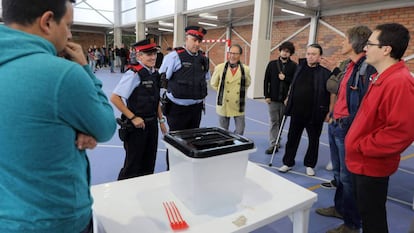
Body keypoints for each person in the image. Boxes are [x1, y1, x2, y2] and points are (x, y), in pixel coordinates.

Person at [0, 0, 116, 232]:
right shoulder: (63, 74)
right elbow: (105, 127)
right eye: (68, 24)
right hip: (55, 219)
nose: (70, 34)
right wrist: (85, 69)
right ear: (47, 21)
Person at [345, 23, 414, 233]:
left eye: (370, 44)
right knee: (368, 215)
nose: (365, 48)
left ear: (386, 49)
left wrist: (362, 146)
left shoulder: (399, 82)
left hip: (371, 164)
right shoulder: (381, 77)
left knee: (373, 220)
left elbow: (401, 132)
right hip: (362, 162)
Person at [315, 25, 377, 233]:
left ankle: (352, 224)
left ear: (354, 43)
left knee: (349, 179)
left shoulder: (367, 69)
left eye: (344, 39)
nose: (341, 43)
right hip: (337, 125)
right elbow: (339, 93)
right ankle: (340, 209)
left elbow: (365, 107)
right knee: (340, 175)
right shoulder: (349, 66)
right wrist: (333, 115)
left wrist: (350, 128)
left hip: (347, 129)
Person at [111, 39, 168, 180]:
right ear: (139, 56)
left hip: (151, 124)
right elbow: (115, 98)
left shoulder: (155, 73)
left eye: (154, 53)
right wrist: (132, 117)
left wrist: (161, 120)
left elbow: (155, 99)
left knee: (149, 163)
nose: (153, 57)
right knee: (133, 165)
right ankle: (124, 195)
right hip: (136, 127)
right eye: (148, 54)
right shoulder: (134, 74)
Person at [158, 25, 210, 169]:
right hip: (177, 110)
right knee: (175, 143)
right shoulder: (173, 57)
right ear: (186, 39)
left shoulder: (203, 59)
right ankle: (172, 171)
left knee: (192, 141)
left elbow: (204, 79)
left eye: (200, 41)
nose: (197, 44)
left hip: (196, 109)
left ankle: (187, 170)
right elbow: (162, 79)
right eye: (194, 40)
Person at [278, 43, 332, 176]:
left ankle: (310, 164)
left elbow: (331, 93)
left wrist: (329, 112)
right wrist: (288, 98)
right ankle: (288, 162)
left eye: (314, 54)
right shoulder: (299, 68)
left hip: (315, 113)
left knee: (314, 140)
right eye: (308, 54)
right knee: (292, 138)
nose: (310, 57)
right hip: (297, 111)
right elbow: (293, 85)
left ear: (320, 57)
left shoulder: (325, 73)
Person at [263, 41, 297, 154]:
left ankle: (277, 138)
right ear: (280, 51)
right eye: (283, 50)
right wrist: (266, 95)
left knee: (281, 122)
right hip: (272, 99)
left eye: (287, 52)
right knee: (274, 121)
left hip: (285, 100)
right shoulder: (272, 64)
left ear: (290, 53)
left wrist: (285, 78)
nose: (284, 53)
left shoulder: (294, 66)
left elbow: (295, 82)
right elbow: (266, 80)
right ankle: (274, 144)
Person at [210, 44, 251, 135]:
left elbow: (247, 83)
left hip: (239, 104)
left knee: (240, 130)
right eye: (231, 53)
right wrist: (223, 92)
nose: (232, 56)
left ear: (240, 55)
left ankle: (235, 145)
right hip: (224, 103)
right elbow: (213, 83)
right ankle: (224, 146)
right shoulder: (220, 67)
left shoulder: (246, 69)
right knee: (223, 131)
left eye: (235, 53)